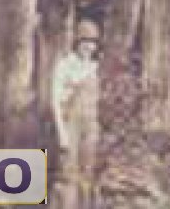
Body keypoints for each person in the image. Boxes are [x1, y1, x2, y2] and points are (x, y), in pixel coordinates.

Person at [51, 18, 102, 209]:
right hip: (69, 125)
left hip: (90, 126)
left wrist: (95, 130)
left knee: (87, 174)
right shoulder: (65, 65)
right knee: (67, 175)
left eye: (92, 42)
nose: (88, 47)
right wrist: (61, 133)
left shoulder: (95, 67)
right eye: (84, 42)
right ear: (77, 43)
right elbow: (55, 100)